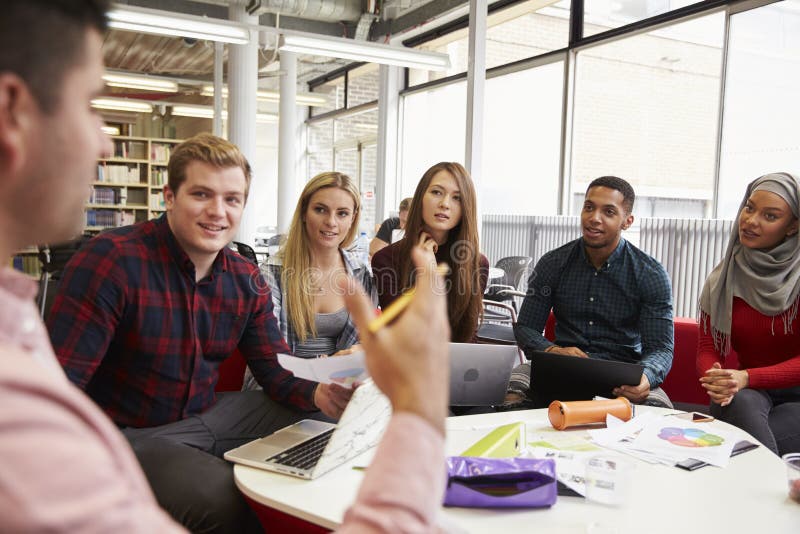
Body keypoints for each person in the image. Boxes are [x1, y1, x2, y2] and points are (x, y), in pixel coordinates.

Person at [47, 133, 352, 532]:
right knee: (222, 501)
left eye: (231, 199)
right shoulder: (112, 261)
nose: (217, 212)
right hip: (125, 433)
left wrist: (321, 390)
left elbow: (275, 371)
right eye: (201, 195)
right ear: (169, 196)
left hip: (207, 416)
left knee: (325, 418)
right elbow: (59, 389)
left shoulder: (245, 278)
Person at [508, 176, 674, 408]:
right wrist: (553, 350)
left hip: (623, 377)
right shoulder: (553, 263)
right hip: (562, 367)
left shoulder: (651, 274)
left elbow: (660, 348)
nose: (594, 218)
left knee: (661, 411)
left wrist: (645, 378)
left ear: (627, 221)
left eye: (608, 212)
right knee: (509, 392)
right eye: (589, 207)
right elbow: (526, 327)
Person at [697, 172, 800, 456]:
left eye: (770, 216)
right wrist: (716, 377)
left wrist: (746, 377)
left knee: (739, 441)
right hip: (748, 393)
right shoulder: (724, 276)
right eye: (749, 207)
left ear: (792, 227)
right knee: (736, 404)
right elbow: (709, 348)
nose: (751, 220)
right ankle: (777, 488)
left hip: (795, 395)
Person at [242, 172, 376, 389]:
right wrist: (323, 374)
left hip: (341, 386)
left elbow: (366, 343)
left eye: (342, 213)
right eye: (320, 209)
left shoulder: (360, 274)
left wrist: (359, 352)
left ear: (352, 219)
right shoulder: (271, 273)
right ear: (304, 212)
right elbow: (269, 359)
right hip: (279, 388)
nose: (331, 222)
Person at [372, 162, 489, 343]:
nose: (444, 204)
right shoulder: (386, 259)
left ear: (466, 207)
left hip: (457, 365)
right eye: (436, 192)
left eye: (457, 198)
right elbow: (402, 332)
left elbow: (467, 335)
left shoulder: (477, 263)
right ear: (420, 199)